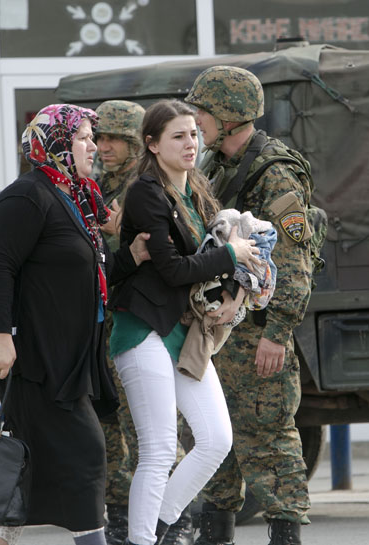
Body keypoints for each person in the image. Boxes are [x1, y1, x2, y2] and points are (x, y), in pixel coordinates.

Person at [0, 103, 151, 545]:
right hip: (39, 354)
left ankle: (1, 536)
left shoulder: (76, 197)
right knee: (86, 453)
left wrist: (126, 255)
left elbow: (81, 274)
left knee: (26, 459)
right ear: (55, 143)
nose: (93, 146)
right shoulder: (27, 195)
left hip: (74, 353)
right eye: (83, 138)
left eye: (92, 138)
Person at [107, 99, 260, 545]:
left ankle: (156, 527)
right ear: (152, 145)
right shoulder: (144, 192)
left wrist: (237, 280)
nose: (191, 143)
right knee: (157, 451)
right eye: (178, 136)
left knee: (215, 440)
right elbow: (173, 269)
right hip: (143, 327)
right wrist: (231, 254)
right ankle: (144, 539)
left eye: (194, 133)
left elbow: (204, 254)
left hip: (184, 332)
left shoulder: (195, 187)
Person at [185, 66, 313, 545]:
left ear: (230, 116)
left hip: (257, 329)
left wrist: (276, 333)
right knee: (210, 435)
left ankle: (285, 533)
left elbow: (296, 262)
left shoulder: (273, 173)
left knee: (267, 434)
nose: (197, 119)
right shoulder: (216, 163)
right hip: (219, 327)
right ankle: (216, 531)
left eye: (203, 110)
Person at [94, 99, 195, 545]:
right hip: (106, 322)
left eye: (115, 137)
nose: (104, 146)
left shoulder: (153, 188)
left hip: (151, 320)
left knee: (157, 440)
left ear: (140, 143)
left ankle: (164, 524)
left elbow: (170, 262)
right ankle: (125, 519)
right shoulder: (90, 190)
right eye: (99, 137)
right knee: (114, 432)